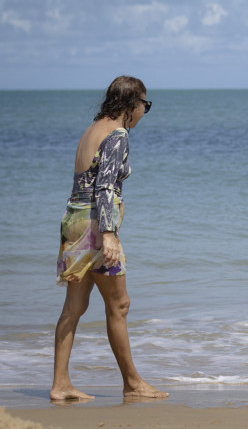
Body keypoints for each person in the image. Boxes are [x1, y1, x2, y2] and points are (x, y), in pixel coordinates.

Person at [50, 76, 168, 401]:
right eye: (145, 105)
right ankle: (132, 383)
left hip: (73, 219)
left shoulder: (93, 129)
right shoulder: (117, 135)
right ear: (132, 104)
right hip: (95, 227)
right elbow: (104, 186)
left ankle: (60, 385)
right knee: (119, 304)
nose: (145, 111)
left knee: (74, 306)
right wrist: (109, 233)